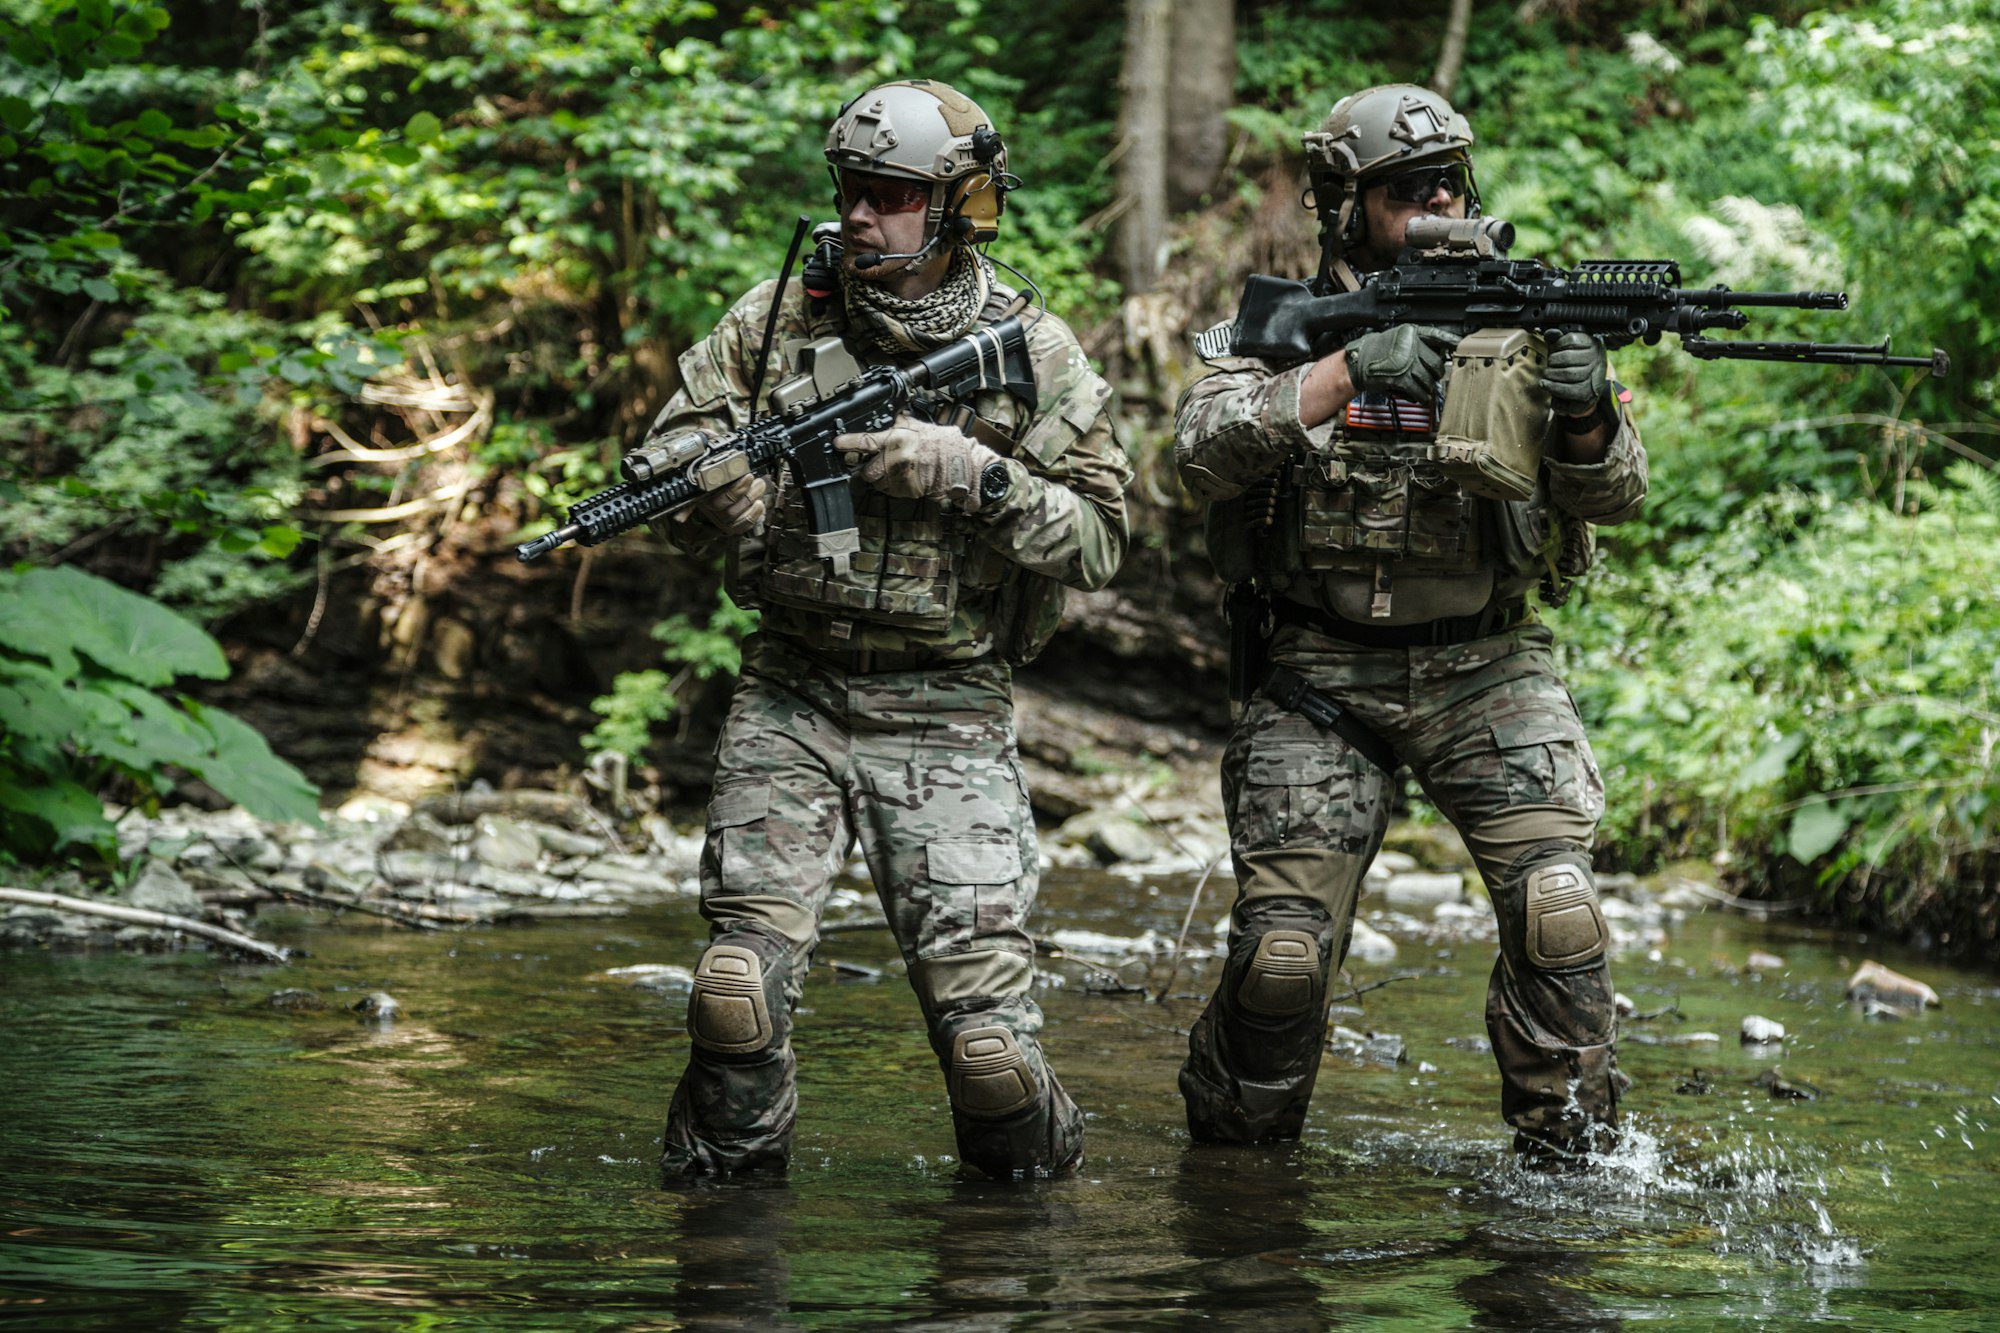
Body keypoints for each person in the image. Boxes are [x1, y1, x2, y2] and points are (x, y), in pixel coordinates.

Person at [648, 79, 1132, 1180]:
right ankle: (725, 1230)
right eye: (849, 191)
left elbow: (1101, 543)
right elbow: (669, 476)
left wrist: (975, 476)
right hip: (794, 689)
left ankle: (1023, 1248)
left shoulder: (1031, 347)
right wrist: (708, 502)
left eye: (890, 196)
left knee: (990, 1057)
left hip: (947, 702)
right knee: (734, 993)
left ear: (960, 204)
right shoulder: (772, 322)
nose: (859, 216)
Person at [1173, 84, 1647, 1160]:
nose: (1436, 201)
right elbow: (1196, 451)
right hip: (1314, 675)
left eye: (1448, 182)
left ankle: (1566, 1173)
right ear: (1346, 206)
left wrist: (1579, 410)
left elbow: (1614, 494)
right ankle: (1233, 1190)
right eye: (1404, 190)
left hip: (1486, 667)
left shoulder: (1521, 311)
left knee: (1558, 910)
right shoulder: (1289, 326)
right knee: (1280, 961)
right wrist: (1343, 373)